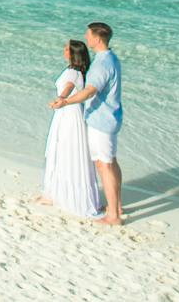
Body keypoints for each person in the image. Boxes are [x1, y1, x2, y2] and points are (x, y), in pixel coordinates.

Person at [50, 20, 124, 225]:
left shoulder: (102, 64)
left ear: (97, 38)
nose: (86, 38)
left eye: (88, 35)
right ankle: (116, 206)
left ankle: (113, 215)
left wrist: (65, 101)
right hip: (110, 117)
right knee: (110, 162)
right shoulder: (111, 58)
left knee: (104, 164)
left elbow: (90, 91)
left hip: (102, 120)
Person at [40, 38, 102, 217]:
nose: (64, 50)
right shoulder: (78, 72)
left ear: (74, 54)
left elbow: (67, 87)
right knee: (64, 151)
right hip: (70, 112)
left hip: (69, 114)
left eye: (67, 49)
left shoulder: (73, 73)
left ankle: (62, 196)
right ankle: (56, 193)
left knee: (65, 151)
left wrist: (61, 99)